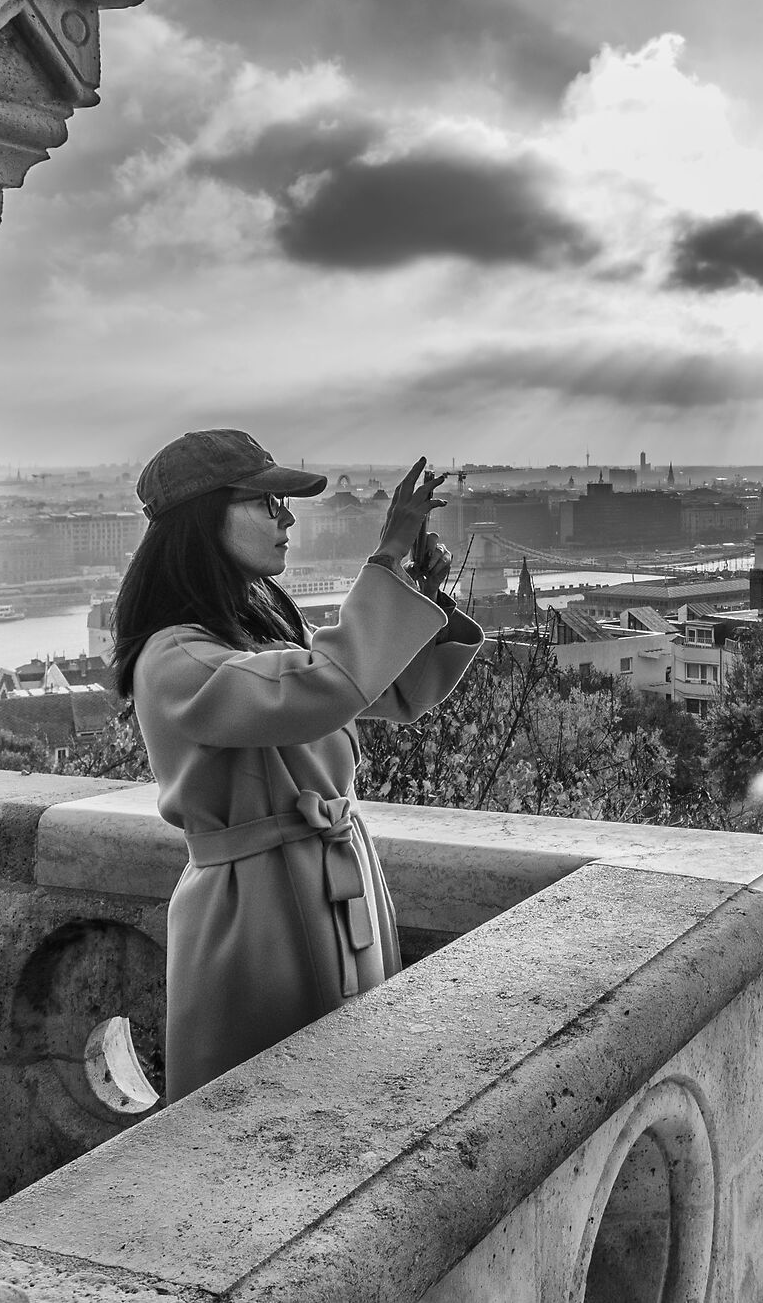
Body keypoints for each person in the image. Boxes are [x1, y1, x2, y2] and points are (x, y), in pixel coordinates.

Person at [111, 429, 481, 1099]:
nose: (287, 518)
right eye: (267, 503)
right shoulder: (176, 658)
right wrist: (387, 555)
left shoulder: (250, 631)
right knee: (266, 1117)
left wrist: (423, 595)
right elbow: (328, 686)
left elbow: (389, 690)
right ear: (204, 520)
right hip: (255, 909)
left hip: (326, 882)